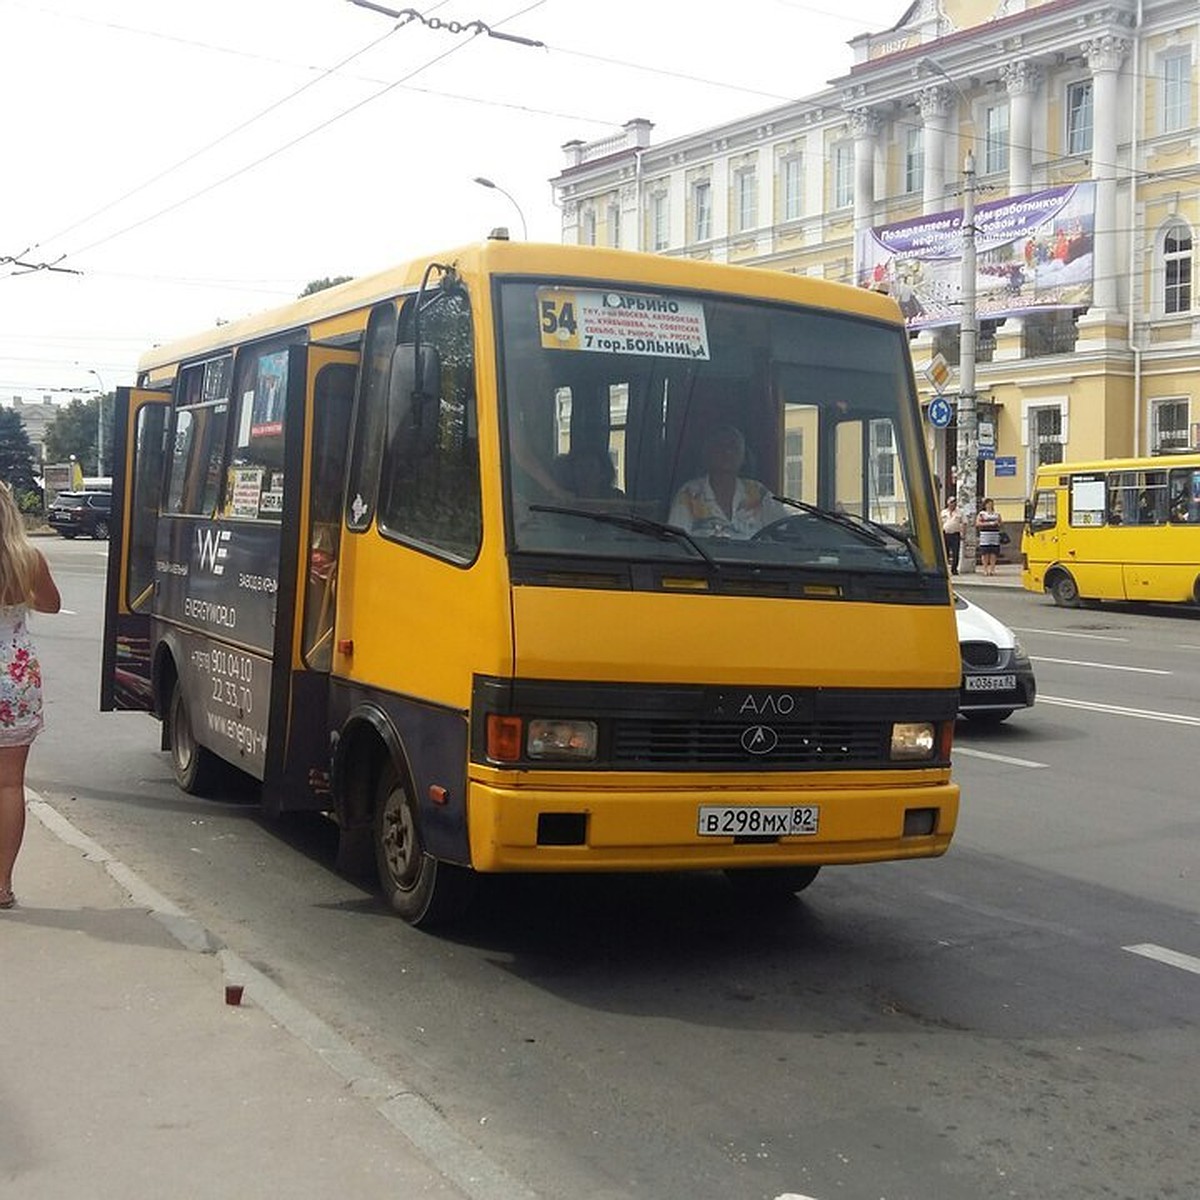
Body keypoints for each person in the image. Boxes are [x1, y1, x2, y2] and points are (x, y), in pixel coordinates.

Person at [0, 484, 61, 910]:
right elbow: (52, 604)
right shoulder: (27, 559)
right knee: (8, 784)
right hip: (13, 675)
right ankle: (1, 886)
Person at [668, 424, 782, 538]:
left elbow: (785, 529)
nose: (728, 452)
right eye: (720, 446)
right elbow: (675, 541)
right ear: (707, 453)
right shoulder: (689, 494)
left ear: (744, 457)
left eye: (734, 447)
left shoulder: (758, 492)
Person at [975, 497, 1003, 576]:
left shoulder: (997, 514)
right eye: (988, 504)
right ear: (985, 505)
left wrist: (998, 524)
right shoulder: (982, 514)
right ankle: (985, 569)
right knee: (985, 552)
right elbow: (977, 523)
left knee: (994, 552)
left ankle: (992, 569)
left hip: (994, 535)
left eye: (991, 504)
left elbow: (1001, 523)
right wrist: (989, 524)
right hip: (985, 535)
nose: (990, 505)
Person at [940, 496, 963, 574]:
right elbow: (940, 523)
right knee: (945, 553)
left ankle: (954, 569)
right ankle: (945, 569)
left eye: (954, 503)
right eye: (951, 502)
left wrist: (963, 533)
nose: (953, 504)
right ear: (948, 503)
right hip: (945, 534)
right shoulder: (943, 512)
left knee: (955, 552)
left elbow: (964, 523)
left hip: (955, 534)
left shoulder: (960, 512)